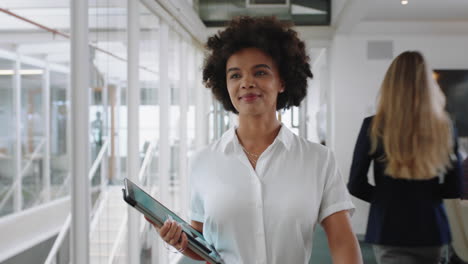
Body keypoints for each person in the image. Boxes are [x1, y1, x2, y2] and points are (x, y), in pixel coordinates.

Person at [148, 16, 362, 263]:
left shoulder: (318, 160)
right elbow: (200, 243)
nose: (247, 83)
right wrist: (177, 238)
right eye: (235, 75)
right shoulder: (202, 161)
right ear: (224, 84)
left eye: (260, 72)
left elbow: (342, 241)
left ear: (282, 81)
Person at [347, 51, 463, 264]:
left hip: (388, 228)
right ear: (428, 86)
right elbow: (454, 188)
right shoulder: (444, 128)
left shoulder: (373, 126)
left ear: (390, 86)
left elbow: (355, 184)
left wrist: (386, 200)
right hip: (431, 229)